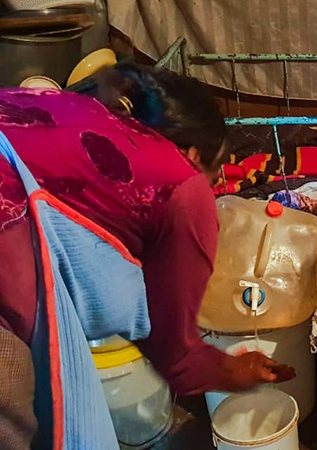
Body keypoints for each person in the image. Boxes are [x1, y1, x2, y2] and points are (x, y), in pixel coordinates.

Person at [0, 64, 294, 450]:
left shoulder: (73, 108)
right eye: (216, 169)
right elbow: (175, 354)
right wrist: (232, 371)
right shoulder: (183, 188)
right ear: (192, 154)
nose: (216, 186)